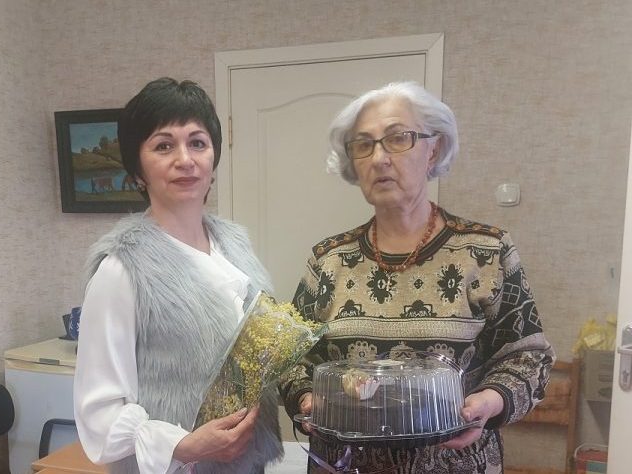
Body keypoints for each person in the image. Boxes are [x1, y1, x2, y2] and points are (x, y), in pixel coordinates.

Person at [279, 81, 555, 473]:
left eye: (398, 138)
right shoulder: (328, 260)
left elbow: (528, 357)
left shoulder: (486, 252)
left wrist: (488, 402)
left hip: (454, 463)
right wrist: (309, 401)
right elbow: (291, 360)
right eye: (363, 144)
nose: (379, 158)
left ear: (434, 149)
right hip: (343, 465)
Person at [74, 77, 283, 474]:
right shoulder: (122, 269)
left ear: (213, 159)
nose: (185, 159)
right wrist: (184, 445)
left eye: (197, 143)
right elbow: (98, 415)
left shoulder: (236, 248)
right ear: (138, 170)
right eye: (164, 146)